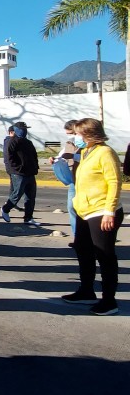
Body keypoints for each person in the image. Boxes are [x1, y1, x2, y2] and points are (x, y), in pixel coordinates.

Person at [62, 117, 124, 316]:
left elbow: (114, 182)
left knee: (105, 256)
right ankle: (86, 291)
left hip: (102, 211)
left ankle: (109, 301)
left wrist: (109, 211)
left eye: (78, 134)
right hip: (84, 210)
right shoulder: (87, 151)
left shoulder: (105, 152)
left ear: (89, 134)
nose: (76, 137)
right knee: (84, 251)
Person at [0, 121, 40, 226]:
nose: (24, 131)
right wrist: (15, 169)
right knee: (17, 194)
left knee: (30, 196)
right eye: (22, 129)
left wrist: (35, 167)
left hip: (30, 172)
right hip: (18, 173)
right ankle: (6, 209)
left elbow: (34, 156)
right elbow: (8, 158)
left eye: (25, 129)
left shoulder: (28, 142)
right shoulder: (11, 141)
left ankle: (28, 217)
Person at [48, 120, 80, 243]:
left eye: (71, 133)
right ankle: (78, 238)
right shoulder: (69, 143)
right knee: (72, 208)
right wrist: (54, 159)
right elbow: (61, 155)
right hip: (73, 180)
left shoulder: (88, 144)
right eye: (68, 134)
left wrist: (74, 157)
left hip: (86, 181)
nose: (71, 136)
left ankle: (90, 238)